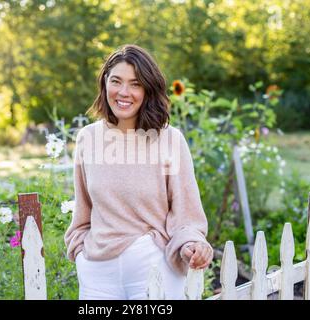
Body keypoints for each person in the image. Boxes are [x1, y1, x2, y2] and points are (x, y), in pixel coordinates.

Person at [64, 44, 213, 300]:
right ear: (104, 84)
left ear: (148, 89)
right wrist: (80, 254)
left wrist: (191, 243)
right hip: (97, 274)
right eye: (116, 81)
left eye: (135, 84)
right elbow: (83, 214)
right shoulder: (88, 139)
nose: (123, 92)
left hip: (152, 268)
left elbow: (187, 214)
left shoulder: (169, 140)